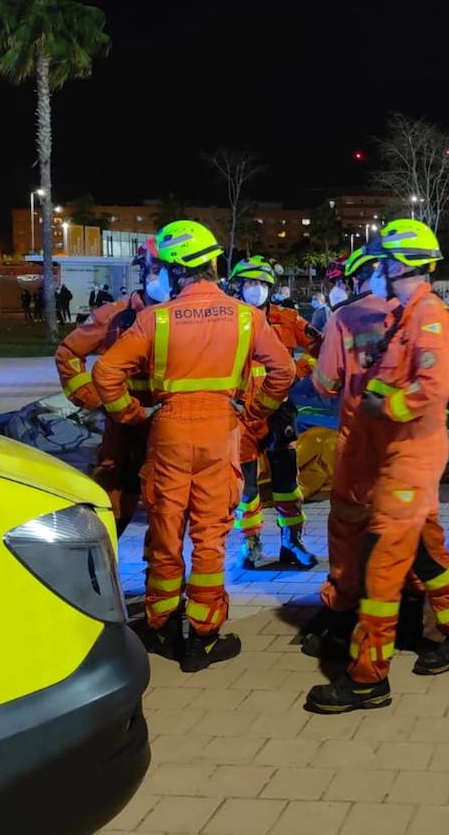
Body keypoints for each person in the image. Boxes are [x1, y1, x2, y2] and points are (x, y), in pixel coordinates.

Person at [94, 220, 294, 671]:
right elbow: (283, 373)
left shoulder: (155, 318)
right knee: (210, 536)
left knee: (166, 531)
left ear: (171, 270)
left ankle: (162, 625)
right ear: (212, 263)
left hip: (167, 432)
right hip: (220, 432)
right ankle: (202, 637)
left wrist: (132, 415)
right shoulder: (246, 316)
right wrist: (253, 413)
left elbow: (105, 374)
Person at [306, 219, 449, 714]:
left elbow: (432, 386)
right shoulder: (407, 314)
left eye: (386, 257)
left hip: (410, 456)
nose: (379, 265)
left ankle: (368, 679)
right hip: (397, 454)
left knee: (383, 570)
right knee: (427, 552)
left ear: (403, 262)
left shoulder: (427, 315)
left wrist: (384, 408)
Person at [300, 246, 395, 658]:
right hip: (405, 444)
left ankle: (341, 617)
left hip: (358, 440)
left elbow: (325, 383)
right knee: (402, 531)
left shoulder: (343, 318)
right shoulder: (414, 313)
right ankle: (407, 615)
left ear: (354, 280)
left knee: (348, 529)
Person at [54, 241, 163, 535]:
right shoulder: (115, 316)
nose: (161, 277)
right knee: (111, 496)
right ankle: (102, 560)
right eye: (155, 270)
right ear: (144, 273)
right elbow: (68, 354)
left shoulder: (184, 317)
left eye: (167, 270)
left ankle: (160, 573)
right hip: (124, 425)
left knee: (166, 507)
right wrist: (94, 398)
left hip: (167, 424)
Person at [228, 254, 318, 570]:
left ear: (270, 287)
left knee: (287, 484)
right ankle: (251, 544)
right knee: (247, 488)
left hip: (278, 412)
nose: (254, 289)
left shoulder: (287, 319)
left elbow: (318, 345)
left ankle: (291, 543)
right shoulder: (227, 320)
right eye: (248, 283)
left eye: (260, 284)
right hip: (241, 415)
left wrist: (300, 372)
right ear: (237, 287)